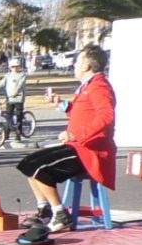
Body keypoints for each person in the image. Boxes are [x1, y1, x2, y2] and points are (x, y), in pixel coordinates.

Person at [16, 45, 116, 233]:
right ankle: (45, 209)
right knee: (28, 163)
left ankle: (61, 215)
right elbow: (84, 114)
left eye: (78, 61)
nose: (75, 65)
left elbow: (106, 116)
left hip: (90, 151)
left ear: (87, 66)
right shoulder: (88, 86)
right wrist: (62, 105)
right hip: (77, 145)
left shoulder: (99, 86)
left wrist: (76, 135)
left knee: (39, 169)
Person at [0, 58, 28, 140]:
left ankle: (18, 133)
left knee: (18, 116)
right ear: (10, 67)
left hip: (18, 98)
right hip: (9, 99)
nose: (14, 68)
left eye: (16, 66)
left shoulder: (22, 75)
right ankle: (6, 133)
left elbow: (20, 86)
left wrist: (16, 92)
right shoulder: (7, 76)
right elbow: (1, 84)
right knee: (8, 116)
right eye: (13, 67)